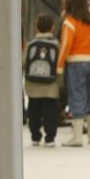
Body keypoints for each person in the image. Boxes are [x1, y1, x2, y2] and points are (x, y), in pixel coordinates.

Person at [57, 0, 90, 147]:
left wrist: (59, 65)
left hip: (76, 63)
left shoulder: (69, 22)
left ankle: (77, 136)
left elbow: (66, 45)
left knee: (77, 96)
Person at [24, 15, 60, 147]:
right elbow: (59, 66)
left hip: (33, 86)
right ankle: (50, 137)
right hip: (50, 87)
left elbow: (23, 63)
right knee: (50, 112)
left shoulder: (30, 45)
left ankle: (35, 136)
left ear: (36, 28)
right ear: (52, 28)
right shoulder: (56, 45)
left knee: (33, 111)